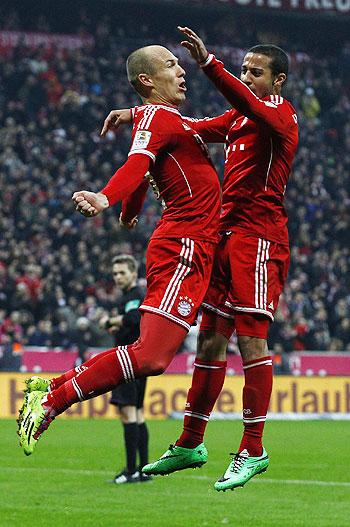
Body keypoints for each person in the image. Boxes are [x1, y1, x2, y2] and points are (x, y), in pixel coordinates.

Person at [101, 26, 299, 491]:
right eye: (244, 70)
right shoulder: (236, 119)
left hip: (258, 237)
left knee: (251, 343)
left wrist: (211, 63)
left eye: (257, 72)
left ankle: (253, 447)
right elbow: (184, 127)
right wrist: (136, 112)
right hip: (222, 237)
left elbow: (248, 103)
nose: (248, 78)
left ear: (279, 81)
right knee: (210, 340)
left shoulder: (279, 114)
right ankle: (191, 440)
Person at [17, 44, 221, 470]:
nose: (182, 72)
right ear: (147, 81)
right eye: (171, 65)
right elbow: (138, 161)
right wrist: (107, 197)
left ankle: (52, 388)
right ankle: (53, 399)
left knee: (182, 345)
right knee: (150, 357)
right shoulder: (159, 117)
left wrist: (129, 209)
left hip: (201, 246)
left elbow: (151, 167)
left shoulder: (166, 119)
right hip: (185, 245)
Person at [101, 254, 150, 484]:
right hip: (138, 361)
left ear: (134, 273)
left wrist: (111, 322)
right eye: (115, 274)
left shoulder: (134, 295)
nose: (118, 277)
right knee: (138, 414)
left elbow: (133, 318)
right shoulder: (131, 296)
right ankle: (144, 470)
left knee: (128, 413)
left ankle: (131, 471)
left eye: (122, 273)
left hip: (127, 362)